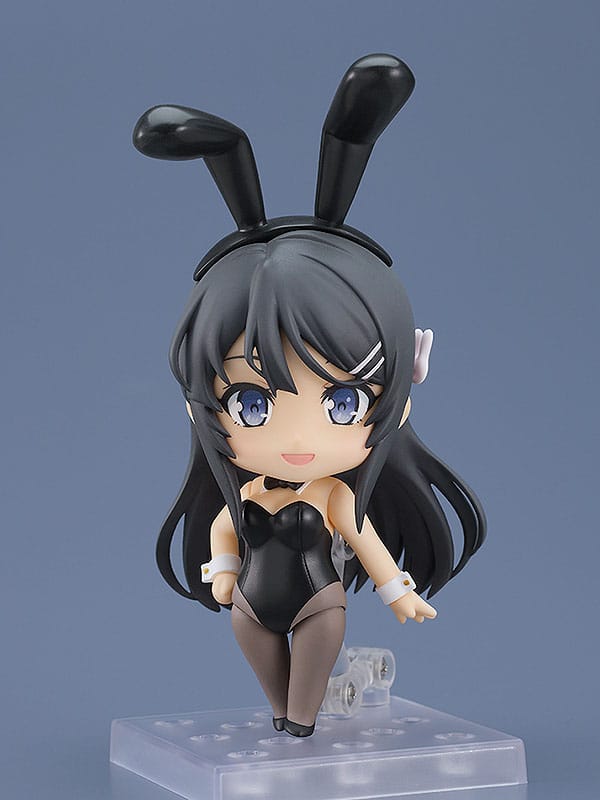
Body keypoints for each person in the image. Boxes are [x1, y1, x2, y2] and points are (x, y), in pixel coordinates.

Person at [134, 55, 486, 737]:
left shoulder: (331, 496)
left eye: (342, 403)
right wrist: (223, 570)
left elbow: (364, 539)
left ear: (398, 397)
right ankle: (286, 721)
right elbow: (222, 530)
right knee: (272, 686)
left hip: (319, 605)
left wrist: (397, 591)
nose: (298, 438)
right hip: (250, 610)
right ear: (199, 403)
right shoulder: (248, 493)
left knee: (302, 706)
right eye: (253, 404)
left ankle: (300, 726)